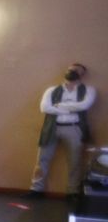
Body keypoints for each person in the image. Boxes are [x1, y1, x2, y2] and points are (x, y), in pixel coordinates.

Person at [30, 64, 94, 197]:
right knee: (42, 160)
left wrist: (59, 106)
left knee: (75, 161)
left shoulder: (89, 89)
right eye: (70, 69)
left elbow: (85, 105)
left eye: (76, 71)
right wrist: (72, 108)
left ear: (82, 75)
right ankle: (36, 190)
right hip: (51, 128)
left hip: (74, 128)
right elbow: (44, 108)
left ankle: (72, 192)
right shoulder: (51, 90)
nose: (72, 71)